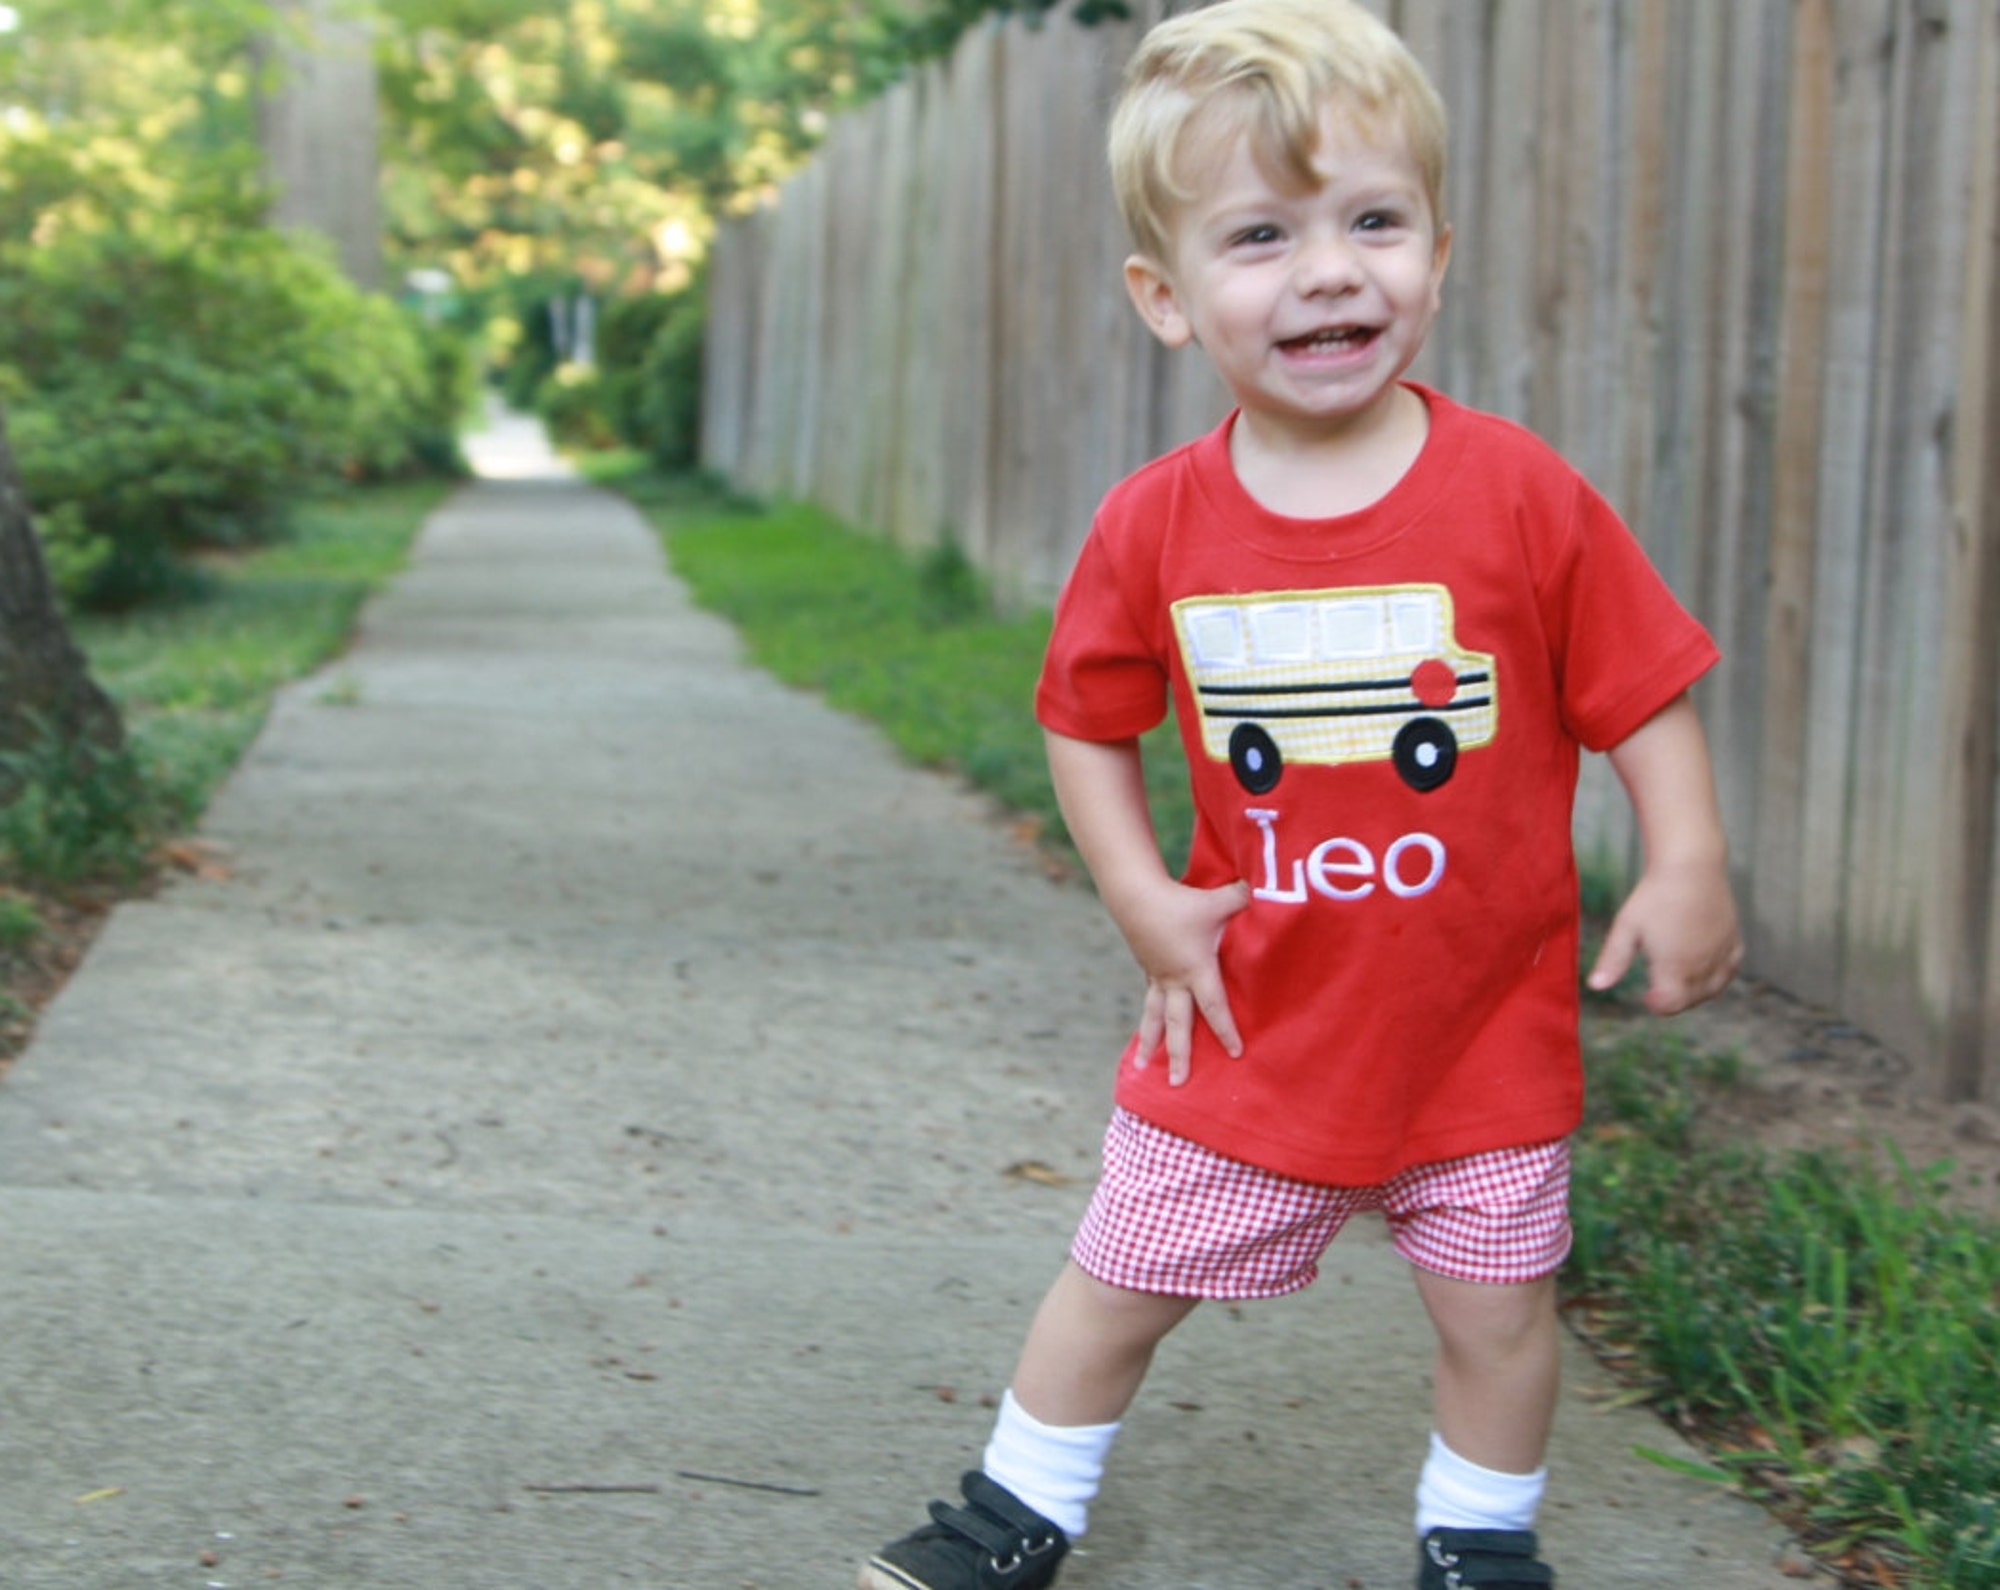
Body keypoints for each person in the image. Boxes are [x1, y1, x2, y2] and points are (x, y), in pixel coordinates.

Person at [860, 2, 1742, 1586]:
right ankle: (1011, 1508)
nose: (1331, 269)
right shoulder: (1155, 525)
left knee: (1500, 1310)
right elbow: (1084, 719)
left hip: (1479, 1027)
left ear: (1439, 253)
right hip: (1251, 1023)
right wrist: (1139, 894)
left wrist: (1685, 856)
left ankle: (1481, 1541)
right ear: (1169, 298)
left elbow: (1640, 684)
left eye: (1373, 221)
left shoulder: (1521, 495)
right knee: (1120, 1276)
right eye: (1261, 235)